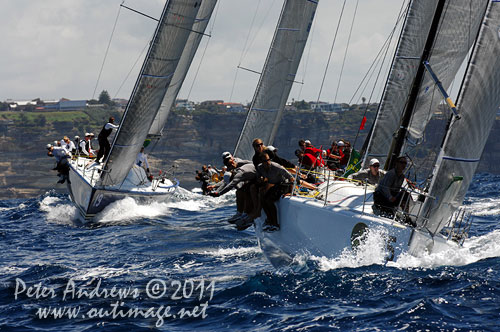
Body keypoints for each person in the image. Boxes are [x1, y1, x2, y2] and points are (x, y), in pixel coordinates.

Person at [257, 150, 316, 232]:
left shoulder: (276, 167)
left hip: (284, 185)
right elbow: (259, 177)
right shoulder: (260, 167)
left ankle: (275, 224)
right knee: (263, 199)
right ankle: (269, 221)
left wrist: (291, 192)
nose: (267, 162)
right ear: (261, 161)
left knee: (269, 200)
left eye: (268, 160)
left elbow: (291, 178)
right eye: (265, 161)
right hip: (276, 185)